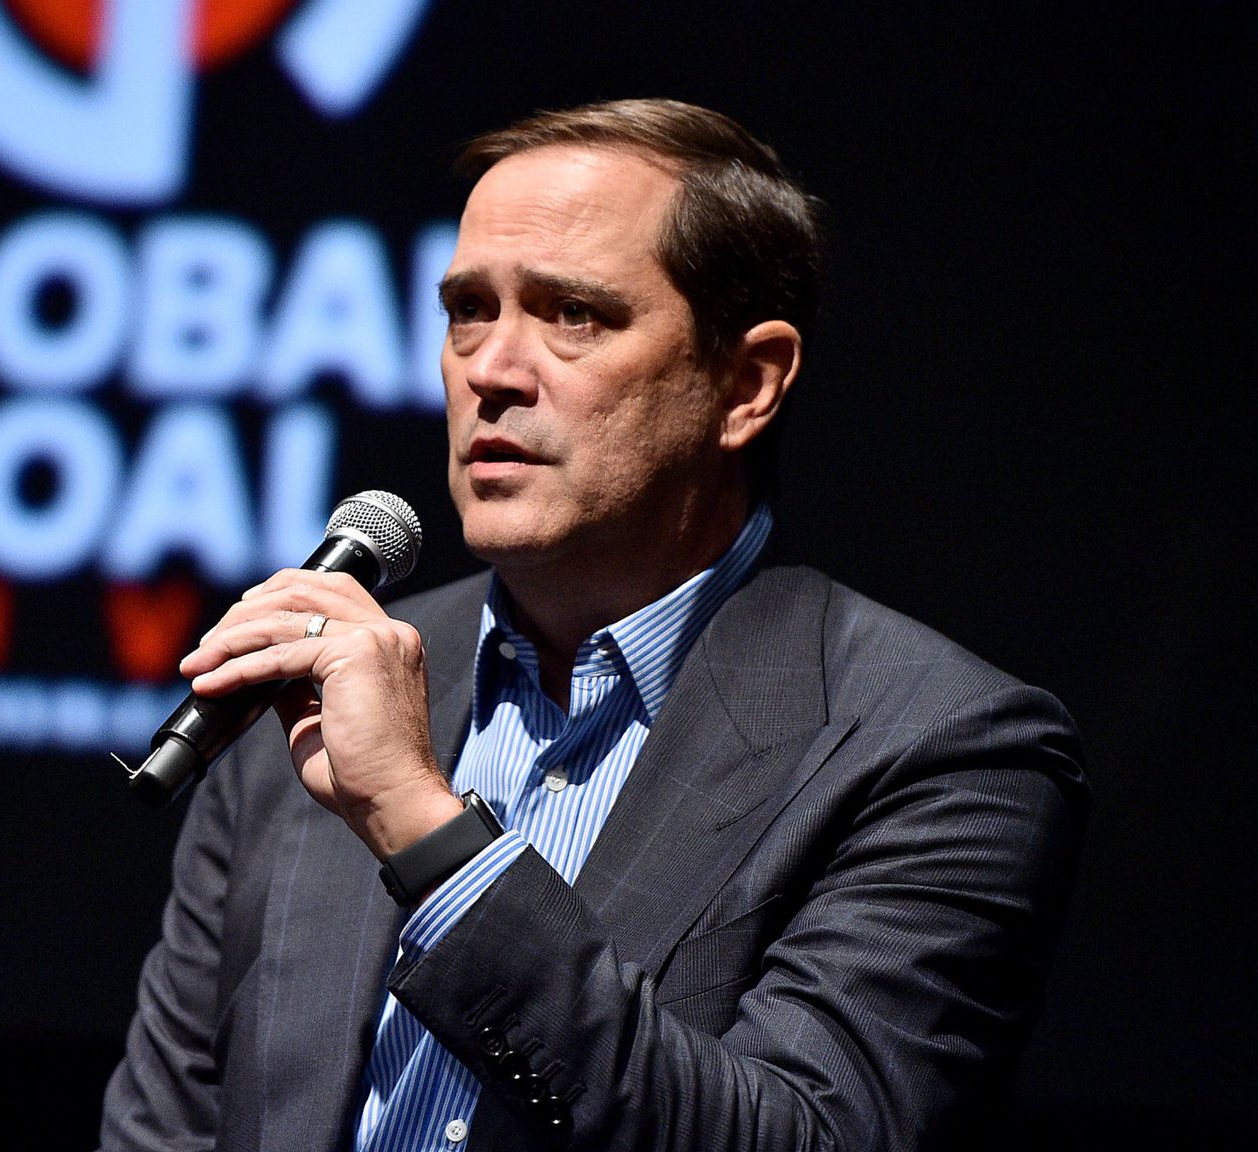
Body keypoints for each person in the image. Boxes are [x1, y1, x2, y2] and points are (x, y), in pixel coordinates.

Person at [99, 99, 1087, 1151]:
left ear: (747, 384)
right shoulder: (303, 718)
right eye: (468, 309)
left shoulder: (942, 750)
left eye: (574, 315)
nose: (491, 369)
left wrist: (425, 832)